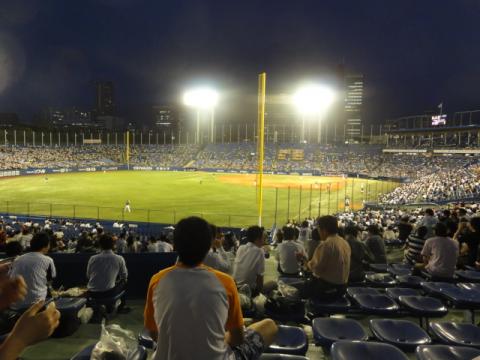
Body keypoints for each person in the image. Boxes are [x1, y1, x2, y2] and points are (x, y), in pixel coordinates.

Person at [144, 216, 278, 360]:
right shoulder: (225, 282)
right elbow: (238, 339)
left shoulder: (157, 280)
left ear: (175, 245)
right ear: (209, 245)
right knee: (269, 325)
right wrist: (222, 339)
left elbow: (153, 333)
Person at [302, 215, 351, 301]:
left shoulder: (326, 245)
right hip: (342, 288)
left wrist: (303, 260)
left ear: (324, 230)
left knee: (294, 291)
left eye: (319, 229)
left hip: (327, 290)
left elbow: (315, 269)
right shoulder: (345, 243)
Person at [9, 232, 56, 310]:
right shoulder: (48, 260)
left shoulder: (18, 259)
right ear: (45, 246)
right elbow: (50, 280)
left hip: (14, 304)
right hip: (35, 306)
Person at [86, 234, 128, 301]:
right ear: (113, 245)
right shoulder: (119, 258)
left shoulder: (92, 258)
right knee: (124, 281)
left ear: (100, 245)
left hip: (92, 293)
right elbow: (124, 276)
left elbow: (88, 276)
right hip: (109, 293)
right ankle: (120, 306)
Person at [233, 225, 272, 295]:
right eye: (262, 238)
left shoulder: (240, 248)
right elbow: (260, 277)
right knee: (273, 284)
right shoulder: (259, 251)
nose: (263, 241)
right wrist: (259, 295)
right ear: (257, 239)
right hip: (248, 291)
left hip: (235, 288)